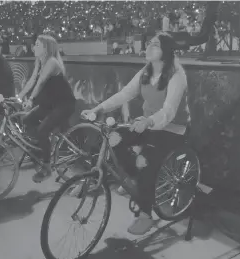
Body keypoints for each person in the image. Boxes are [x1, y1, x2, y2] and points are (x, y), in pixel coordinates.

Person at [81, 32, 190, 235]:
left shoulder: (177, 74)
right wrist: (98, 109)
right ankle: (134, 178)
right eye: (149, 43)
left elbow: (169, 111)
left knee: (147, 167)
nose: (149, 47)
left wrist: (149, 120)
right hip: (146, 125)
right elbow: (125, 94)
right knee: (114, 138)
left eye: (155, 45)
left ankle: (146, 215)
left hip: (171, 129)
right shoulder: (146, 71)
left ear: (166, 51)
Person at [17, 34, 76, 183]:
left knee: (42, 130)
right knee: (27, 120)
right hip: (49, 105)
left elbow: (41, 82)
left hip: (63, 104)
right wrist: (18, 96)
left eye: (37, 44)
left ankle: (47, 166)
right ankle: (43, 148)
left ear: (46, 48)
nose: (33, 47)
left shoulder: (52, 62)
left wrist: (30, 99)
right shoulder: (40, 61)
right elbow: (32, 81)